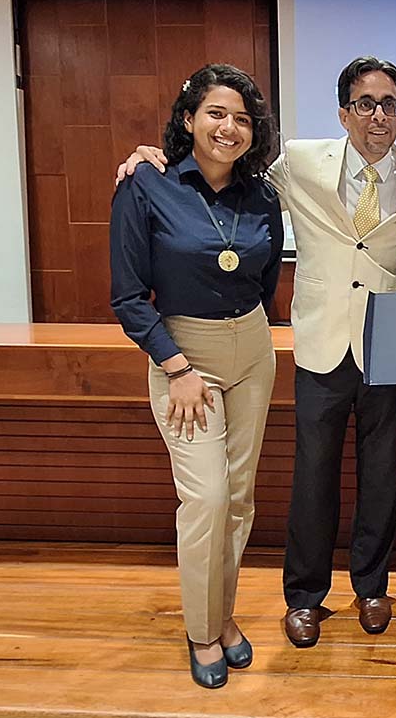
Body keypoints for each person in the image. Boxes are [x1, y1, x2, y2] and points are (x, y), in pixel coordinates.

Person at [117, 57, 396, 647]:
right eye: (365, 103)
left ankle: (371, 586)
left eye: (389, 103)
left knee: (380, 475)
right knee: (312, 476)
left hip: (389, 347)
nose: (377, 115)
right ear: (344, 112)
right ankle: (304, 597)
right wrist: (147, 157)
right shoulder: (295, 162)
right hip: (320, 343)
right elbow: (225, 171)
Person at [109, 63, 282, 689]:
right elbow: (128, 296)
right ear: (188, 119)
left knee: (238, 499)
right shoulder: (146, 184)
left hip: (254, 351)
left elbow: (264, 280)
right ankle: (202, 630)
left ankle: (223, 614)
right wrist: (176, 365)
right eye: (215, 113)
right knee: (205, 499)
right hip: (184, 355)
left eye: (241, 118)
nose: (228, 127)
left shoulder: (262, 194)